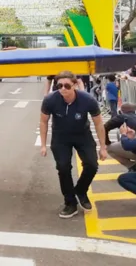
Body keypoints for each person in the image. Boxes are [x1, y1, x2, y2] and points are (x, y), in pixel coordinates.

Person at [40, 70, 107, 219]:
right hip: (60, 137)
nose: (63, 89)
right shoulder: (50, 100)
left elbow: (99, 124)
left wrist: (103, 147)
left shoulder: (87, 100)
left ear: (75, 85)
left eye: (67, 86)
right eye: (59, 86)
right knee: (63, 168)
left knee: (92, 165)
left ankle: (81, 191)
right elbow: (43, 121)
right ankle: (70, 203)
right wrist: (43, 144)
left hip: (82, 135)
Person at [104, 103, 136, 172]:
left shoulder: (122, 117)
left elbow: (104, 127)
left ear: (121, 111)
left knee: (109, 148)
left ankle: (134, 167)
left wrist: (107, 142)